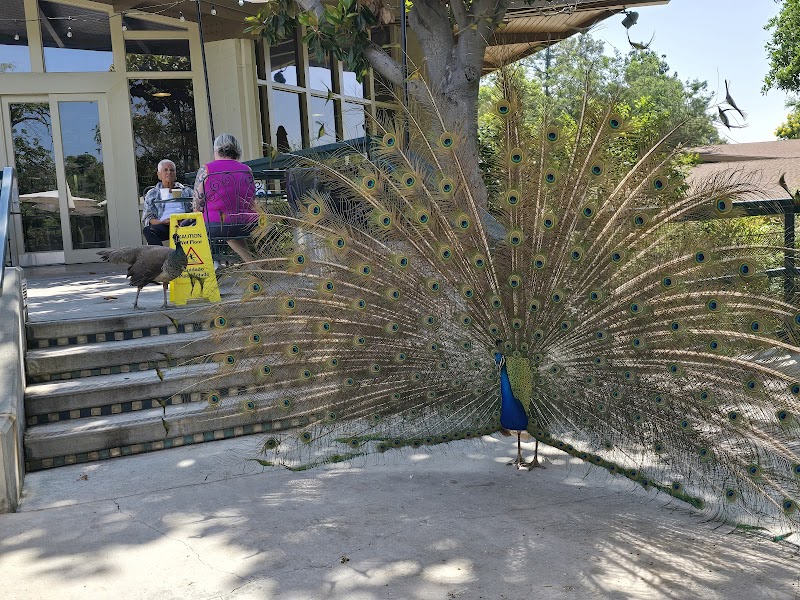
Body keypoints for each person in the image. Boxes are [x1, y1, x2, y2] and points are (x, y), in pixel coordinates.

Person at [192, 133, 258, 262]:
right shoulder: (247, 169)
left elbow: (197, 207)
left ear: (216, 150)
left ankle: (206, 265)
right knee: (230, 228)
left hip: (217, 224)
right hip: (248, 223)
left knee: (190, 226)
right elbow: (252, 199)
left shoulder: (206, 170)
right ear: (238, 150)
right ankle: (252, 264)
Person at [141, 159, 193, 245]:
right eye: (165, 170)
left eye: (172, 170)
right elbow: (148, 218)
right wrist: (162, 222)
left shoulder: (186, 190)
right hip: (165, 225)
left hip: (185, 223)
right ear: (159, 175)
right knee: (148, 231)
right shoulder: (152, 193)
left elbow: (196, 209)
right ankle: (161, 256)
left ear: (175, 174)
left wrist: (186, 219)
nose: (169, 172)